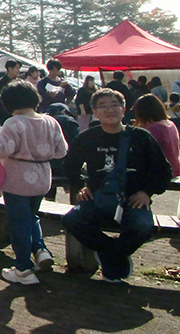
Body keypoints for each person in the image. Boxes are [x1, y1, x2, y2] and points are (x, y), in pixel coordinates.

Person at [61, 89, 173, 282]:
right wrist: (80, 185)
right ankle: (111, 251)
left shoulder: (141, 137)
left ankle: (111, 255)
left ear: (124, 109)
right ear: (94, 111)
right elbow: (70, 165)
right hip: (99, 197)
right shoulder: (88, 138)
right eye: (102, 106)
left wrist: (147, 192)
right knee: (72, 220)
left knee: (142, 227)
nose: (109, 110)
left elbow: (163, 171)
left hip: (132, 198)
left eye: (114, 105)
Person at [0, 81, 68, 285]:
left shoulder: (15, 123)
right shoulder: (50, 121)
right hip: (42, 178)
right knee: (31, 217)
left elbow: (1, 150)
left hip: (18, 180)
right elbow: (61, 151)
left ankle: (23, 268)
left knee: (18, 223)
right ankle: (41, 251)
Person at [133, 93, 180, 178]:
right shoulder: (170, 124)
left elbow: (141, 151)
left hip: (161, 172)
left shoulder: (154, 128)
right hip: (175, 168)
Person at [0, 60, 22, 126]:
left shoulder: (20, 83)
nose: (19, 71)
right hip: (3, 115)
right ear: (10, 68)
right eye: (17, 68)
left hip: (18, 115)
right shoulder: (0, 83)